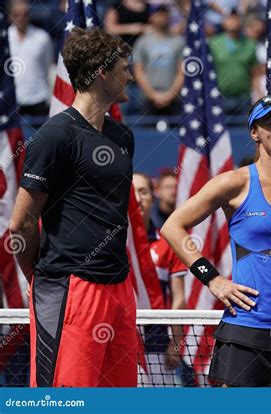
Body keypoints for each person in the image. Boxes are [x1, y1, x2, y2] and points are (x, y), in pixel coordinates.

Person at [161, 94, 271, 387]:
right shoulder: (233, 182)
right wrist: (213, 280)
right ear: (254, 133)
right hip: (246, 328)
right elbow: (173, 227)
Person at [9, 27, 136, 387]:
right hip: (70, 289)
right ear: (101, 73)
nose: (130, 76)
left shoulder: (122, 135)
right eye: (124, 68)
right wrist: (42, 279)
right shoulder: (54, 136)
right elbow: (20, 224)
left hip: (120, 288)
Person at [133, 173, 187, 387]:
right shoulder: (111, 244)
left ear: (152, 197)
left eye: (143, 192)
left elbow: (178, 299)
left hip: (158, 348)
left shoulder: (167, 244)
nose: (138, 199)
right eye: (132, 193)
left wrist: (176, 342)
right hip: (121, 345)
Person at [133, 5, 185, 116]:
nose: (161, 17)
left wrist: (170, 95)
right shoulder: (143, 42)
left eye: (164, 14)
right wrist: (153, 95)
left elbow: (182, 71)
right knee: (147, 132)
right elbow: (139, 72)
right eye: (158, 14)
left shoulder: (179, 41)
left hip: (174, 98)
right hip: (149, 99)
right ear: (151, 17)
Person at [8, 0, 54, 116]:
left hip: (39, 99)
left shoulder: (42, 38)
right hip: (12, 101)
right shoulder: (4, 39)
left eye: (25, 14)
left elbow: (48, 66)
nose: (21, 18)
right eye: (17, 14)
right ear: (10, 16)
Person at [209, 9, 259, 115]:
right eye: (230, 18)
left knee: (244, 129)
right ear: (223, 21)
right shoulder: (214, 43)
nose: (234, 21)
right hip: (220, 98)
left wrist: (258, 96)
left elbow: (255, 73)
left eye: (236, 18)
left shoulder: (250, 44)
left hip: (244, 98)